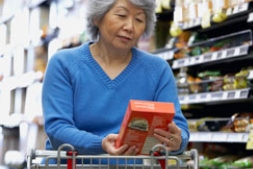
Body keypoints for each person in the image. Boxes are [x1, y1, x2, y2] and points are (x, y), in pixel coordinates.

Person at [42, 0, 189, 161]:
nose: (130, 27)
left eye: (139, 20)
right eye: (121, 15)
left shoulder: (158, 69)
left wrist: (177, 141)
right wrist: (101, 144)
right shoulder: (64, 64)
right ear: (97, 18)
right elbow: (57, 128)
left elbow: (178, 126)